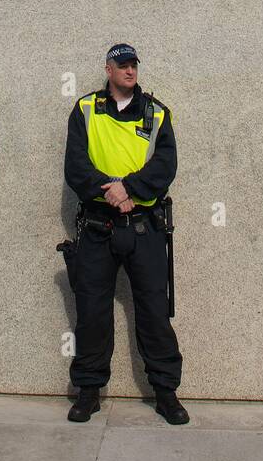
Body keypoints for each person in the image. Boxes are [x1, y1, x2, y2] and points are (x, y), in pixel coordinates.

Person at [63, 44, 187, 425]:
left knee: (153, 311)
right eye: (122, 65)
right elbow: (76, 166)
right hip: (98, 228)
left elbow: (166, 165)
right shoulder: (85, 109)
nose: (130, 71)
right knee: (92, 314)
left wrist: (129, 189)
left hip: (143, 227)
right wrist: (109, 191)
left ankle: (166, 393)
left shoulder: (157, 111)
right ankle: (88, 392)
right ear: (108, 69)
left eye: (133, 65)